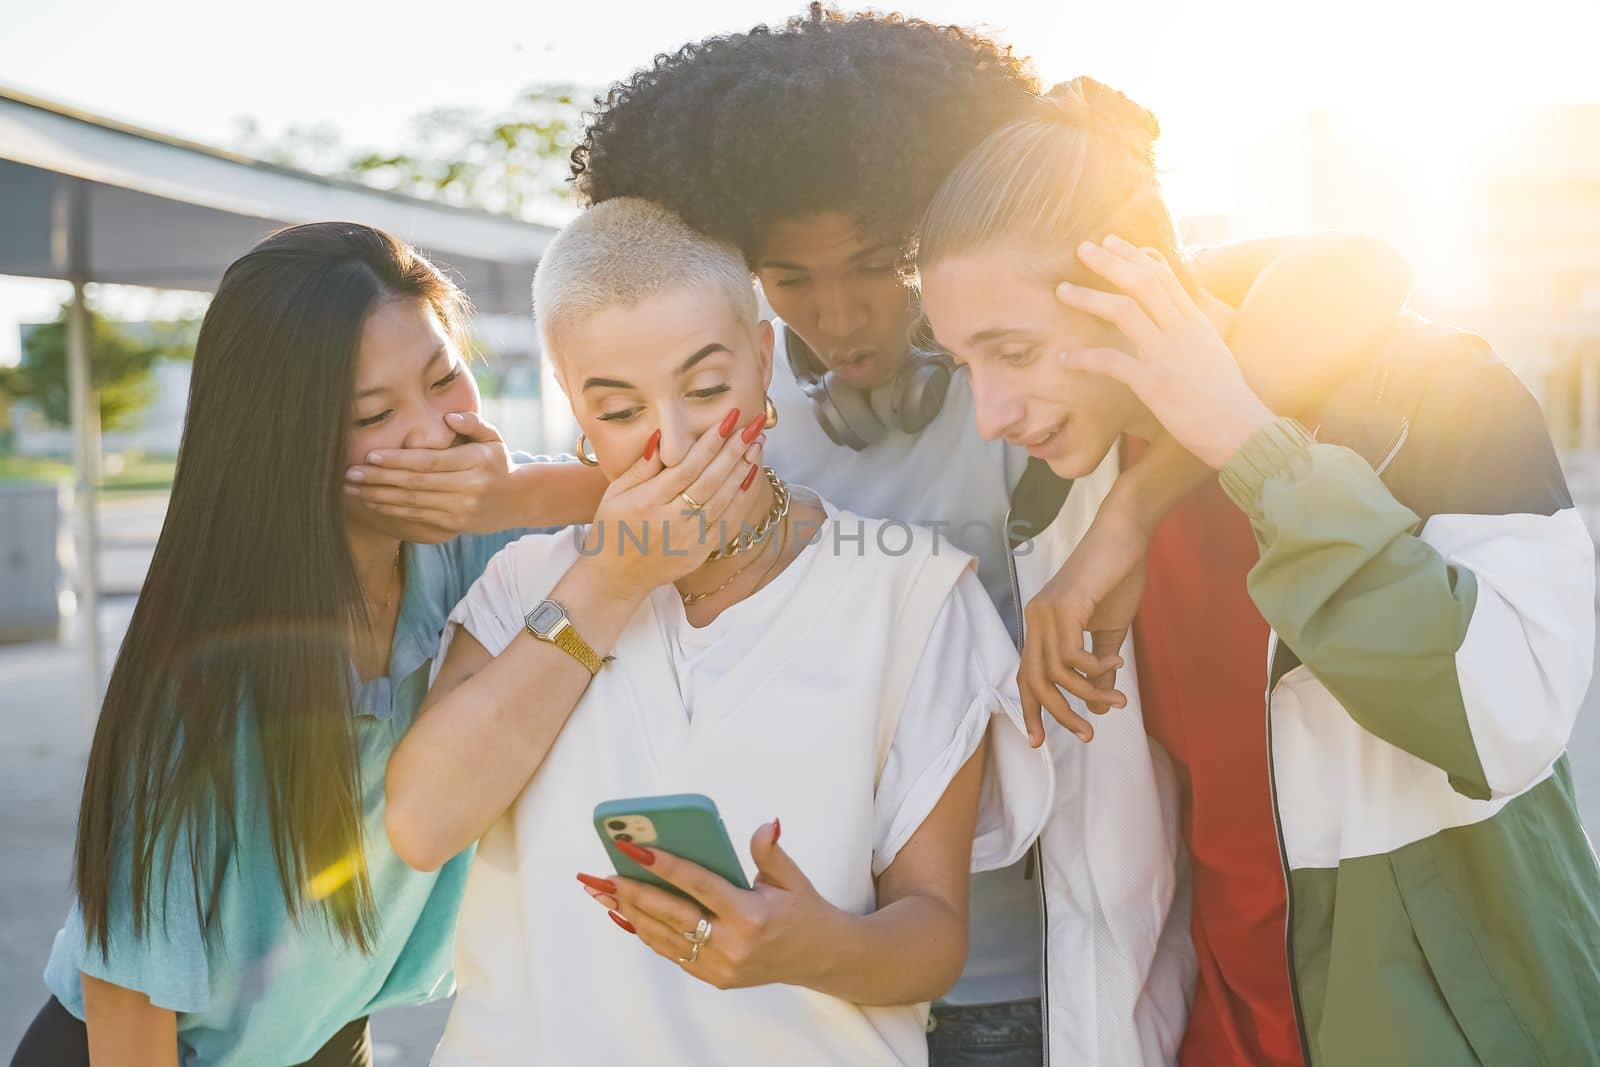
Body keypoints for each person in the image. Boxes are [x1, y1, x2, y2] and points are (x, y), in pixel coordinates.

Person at [564, 8, 1413, 1062]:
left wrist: (1122, 520)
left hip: (1037, 972)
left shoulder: (1032, 368)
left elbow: (1345, 278)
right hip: (805, 980)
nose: (839, 315)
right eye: (791, 279)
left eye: (876, 264)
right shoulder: (731, 408)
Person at [917, 77, 1600, 1065]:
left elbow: (1500, 717)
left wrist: (1252, 449)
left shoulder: (1436, 400)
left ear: (1137, 265)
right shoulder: (1063, 507)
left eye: (1013, 351)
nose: (990, 411)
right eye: (964, 363)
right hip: (1213, 1038)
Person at [384, 197, 1054, 1066]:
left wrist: (812, 948)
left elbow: (932, 936)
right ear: (573, 407)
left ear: (765, 363)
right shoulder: (526, 585)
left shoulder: (913, 593)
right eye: (619, 410)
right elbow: (423, 825)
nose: (674, 441)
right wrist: (613, 579)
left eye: (706, 389)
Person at [9, 223, 603, 1067]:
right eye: (374, 414)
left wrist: (512, 497)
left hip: (328, 1042)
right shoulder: (207, 669)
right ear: (288, 443)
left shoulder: (474, 538)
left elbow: (671, 507)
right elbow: (127, 1004)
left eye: (445, 379)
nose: (436, 433)